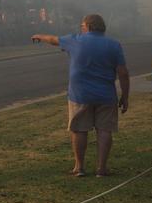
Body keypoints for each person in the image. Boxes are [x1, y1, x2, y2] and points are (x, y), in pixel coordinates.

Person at [32, 14, 129, 177]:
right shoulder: (114, 45)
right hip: (106, 95)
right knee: (105, 130)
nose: (81, 29)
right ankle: (101, 169)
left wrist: (39, 36)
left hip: (80, 95)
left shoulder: (75, 40)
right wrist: (125, 96)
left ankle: (79, 167)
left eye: (82, 26)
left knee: (79, 130)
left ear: (88, 27)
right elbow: (123, 73)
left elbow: (53, 39)